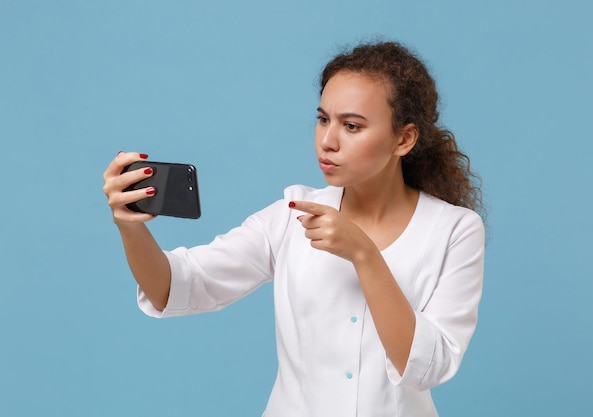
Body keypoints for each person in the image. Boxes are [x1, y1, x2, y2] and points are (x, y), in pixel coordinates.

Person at [102, 41, 485, 417]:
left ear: (404, 138)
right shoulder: (291, 214)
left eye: (351, 125)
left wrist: (364, 254)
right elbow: (177, 286)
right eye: (323, 119)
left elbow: (429, 366)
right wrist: (129, 226)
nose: (327, 141)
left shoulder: (455, 230)